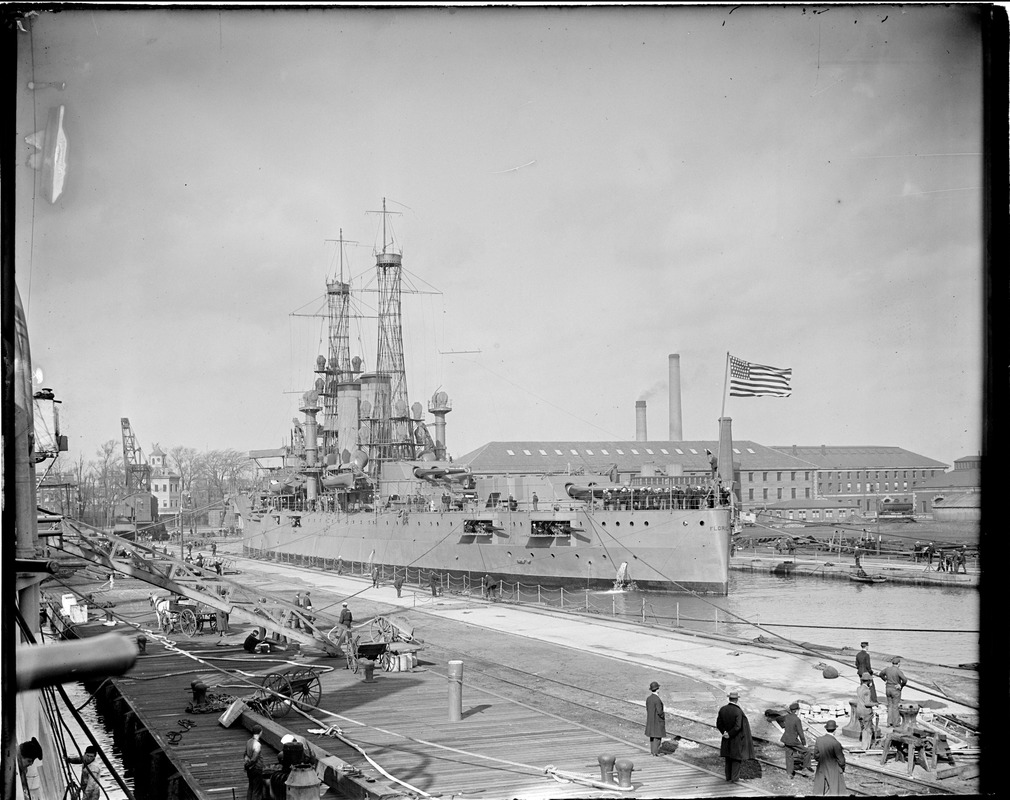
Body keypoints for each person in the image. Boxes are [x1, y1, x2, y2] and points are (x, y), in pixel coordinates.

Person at [716, 690, 754, 783]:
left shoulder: (723, 709)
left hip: (725, 738)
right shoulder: (738, 711)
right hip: (736, 739)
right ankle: (735, 779)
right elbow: (738, 727)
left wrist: (724, 732)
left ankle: (728, 777)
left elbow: (718, 723)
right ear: (736, 700)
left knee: (728, 758)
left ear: (729, 698)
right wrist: (730, 734)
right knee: (736, 759)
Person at [811, 719, 846, 795]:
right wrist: (842, 768)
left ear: (826, 729)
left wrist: (821, 760)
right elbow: (841, 760)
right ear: (835, 730)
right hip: (833, 768)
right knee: (835, 790)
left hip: (821, 767)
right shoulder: (836, 743)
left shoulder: (819, 740)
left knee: (820, 790)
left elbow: (816, 755)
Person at [779, 701, 807, 778]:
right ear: (797, 710)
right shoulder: (797, 720)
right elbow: (800, 732)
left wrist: (783, 726)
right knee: (806, 751)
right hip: (793, 741)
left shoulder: (787, 717)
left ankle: (789, 773)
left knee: (789, 756)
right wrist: (804, 743)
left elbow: (778, 718)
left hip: (786, 739)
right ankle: (806, 768)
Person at [879, 656, 907, 726]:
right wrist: (901, 685)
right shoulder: (898, 671)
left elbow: (880, 674)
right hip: (895, 690)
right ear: (898, 664)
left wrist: (885, 679)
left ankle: (889, 722)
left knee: (890, 706)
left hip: (888, 689)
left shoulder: (887, 669)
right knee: (895, 706)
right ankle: (896, 723)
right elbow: (905, 680)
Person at [854, 673, 878, 750]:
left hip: (859, 711)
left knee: (863, 728)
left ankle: (864, 746)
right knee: (868, 730)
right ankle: (865, 747)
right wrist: (875, 704)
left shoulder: (858, 688)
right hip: (866, 712)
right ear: (868, 681)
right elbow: (867, 703)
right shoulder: (867, 690)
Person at [243, 724, 266, 800]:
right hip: (256, 769)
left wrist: (246, 765)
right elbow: (254, 758)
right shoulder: (257, 744)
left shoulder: (248, 742)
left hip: (249, 769)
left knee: (251, 787)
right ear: (260, 732)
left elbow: (245, 754)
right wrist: (250, 765)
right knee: (257, 790)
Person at [645, 681, 666, 756]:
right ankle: (655, 753)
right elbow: (660, 711)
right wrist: (663, 716)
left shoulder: (648, 698)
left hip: (650, 720)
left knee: (652, 737)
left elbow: (647, 709)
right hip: (657, 721)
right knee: (657, 738)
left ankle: (652, 752)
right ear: (657, 689)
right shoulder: (657, 699)